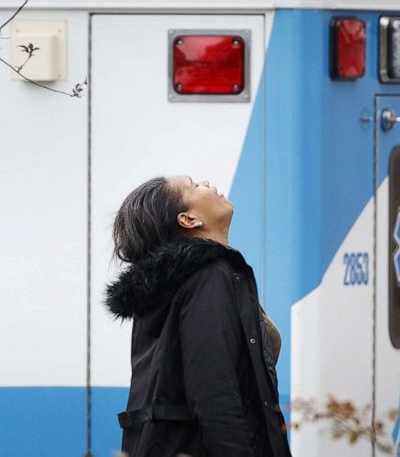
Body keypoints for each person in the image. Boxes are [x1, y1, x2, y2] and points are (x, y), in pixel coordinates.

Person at [105, 175, 291, 457]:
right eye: (193, 185)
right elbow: (214, 391)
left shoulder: (172, 284)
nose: (206, 182)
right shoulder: (209, 275)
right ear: (188, 219)